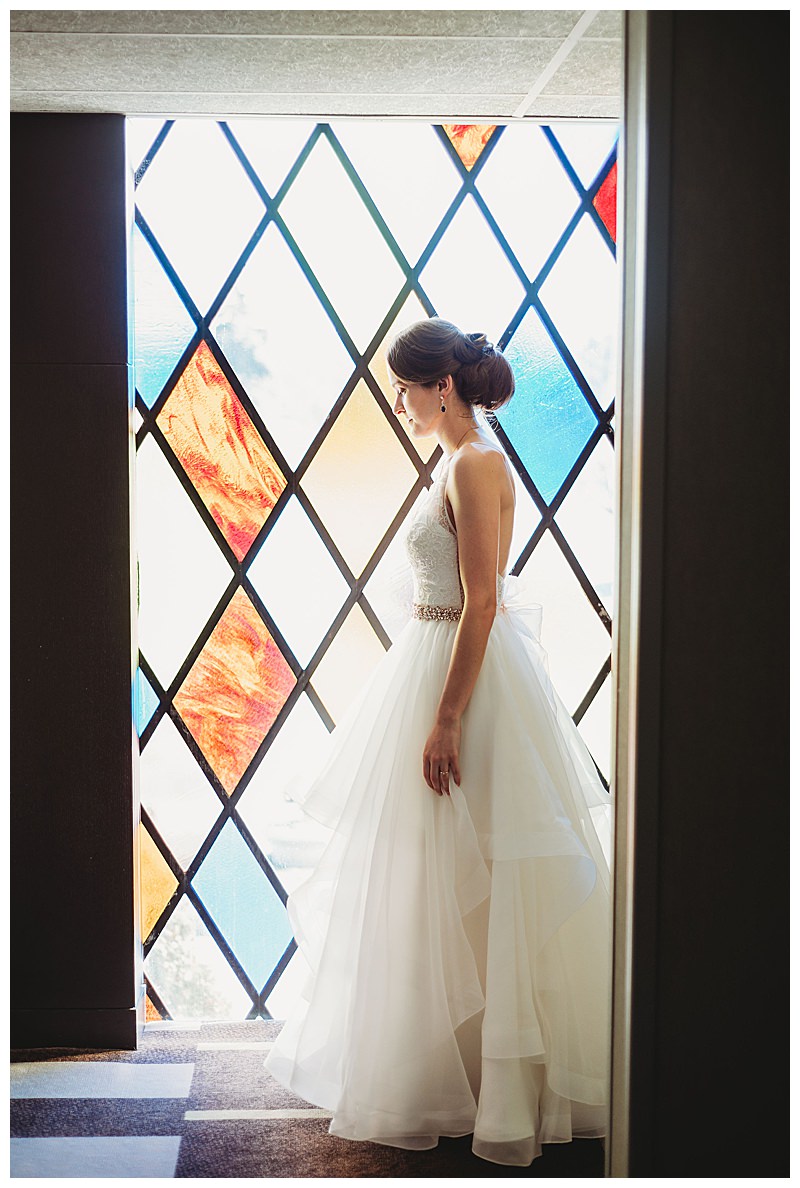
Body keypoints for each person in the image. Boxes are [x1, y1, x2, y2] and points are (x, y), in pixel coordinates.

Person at [264, 317, 613, 1167]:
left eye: (406, 387)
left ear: (442, 387)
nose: (399, 400)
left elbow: (484, 600)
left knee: (480, 871)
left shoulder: (475, 460)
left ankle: (496, 1085)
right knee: (433, 873)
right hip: (432, 661)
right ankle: (454, 1069)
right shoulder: (458, 458)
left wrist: (449, 716)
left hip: (466, 684)